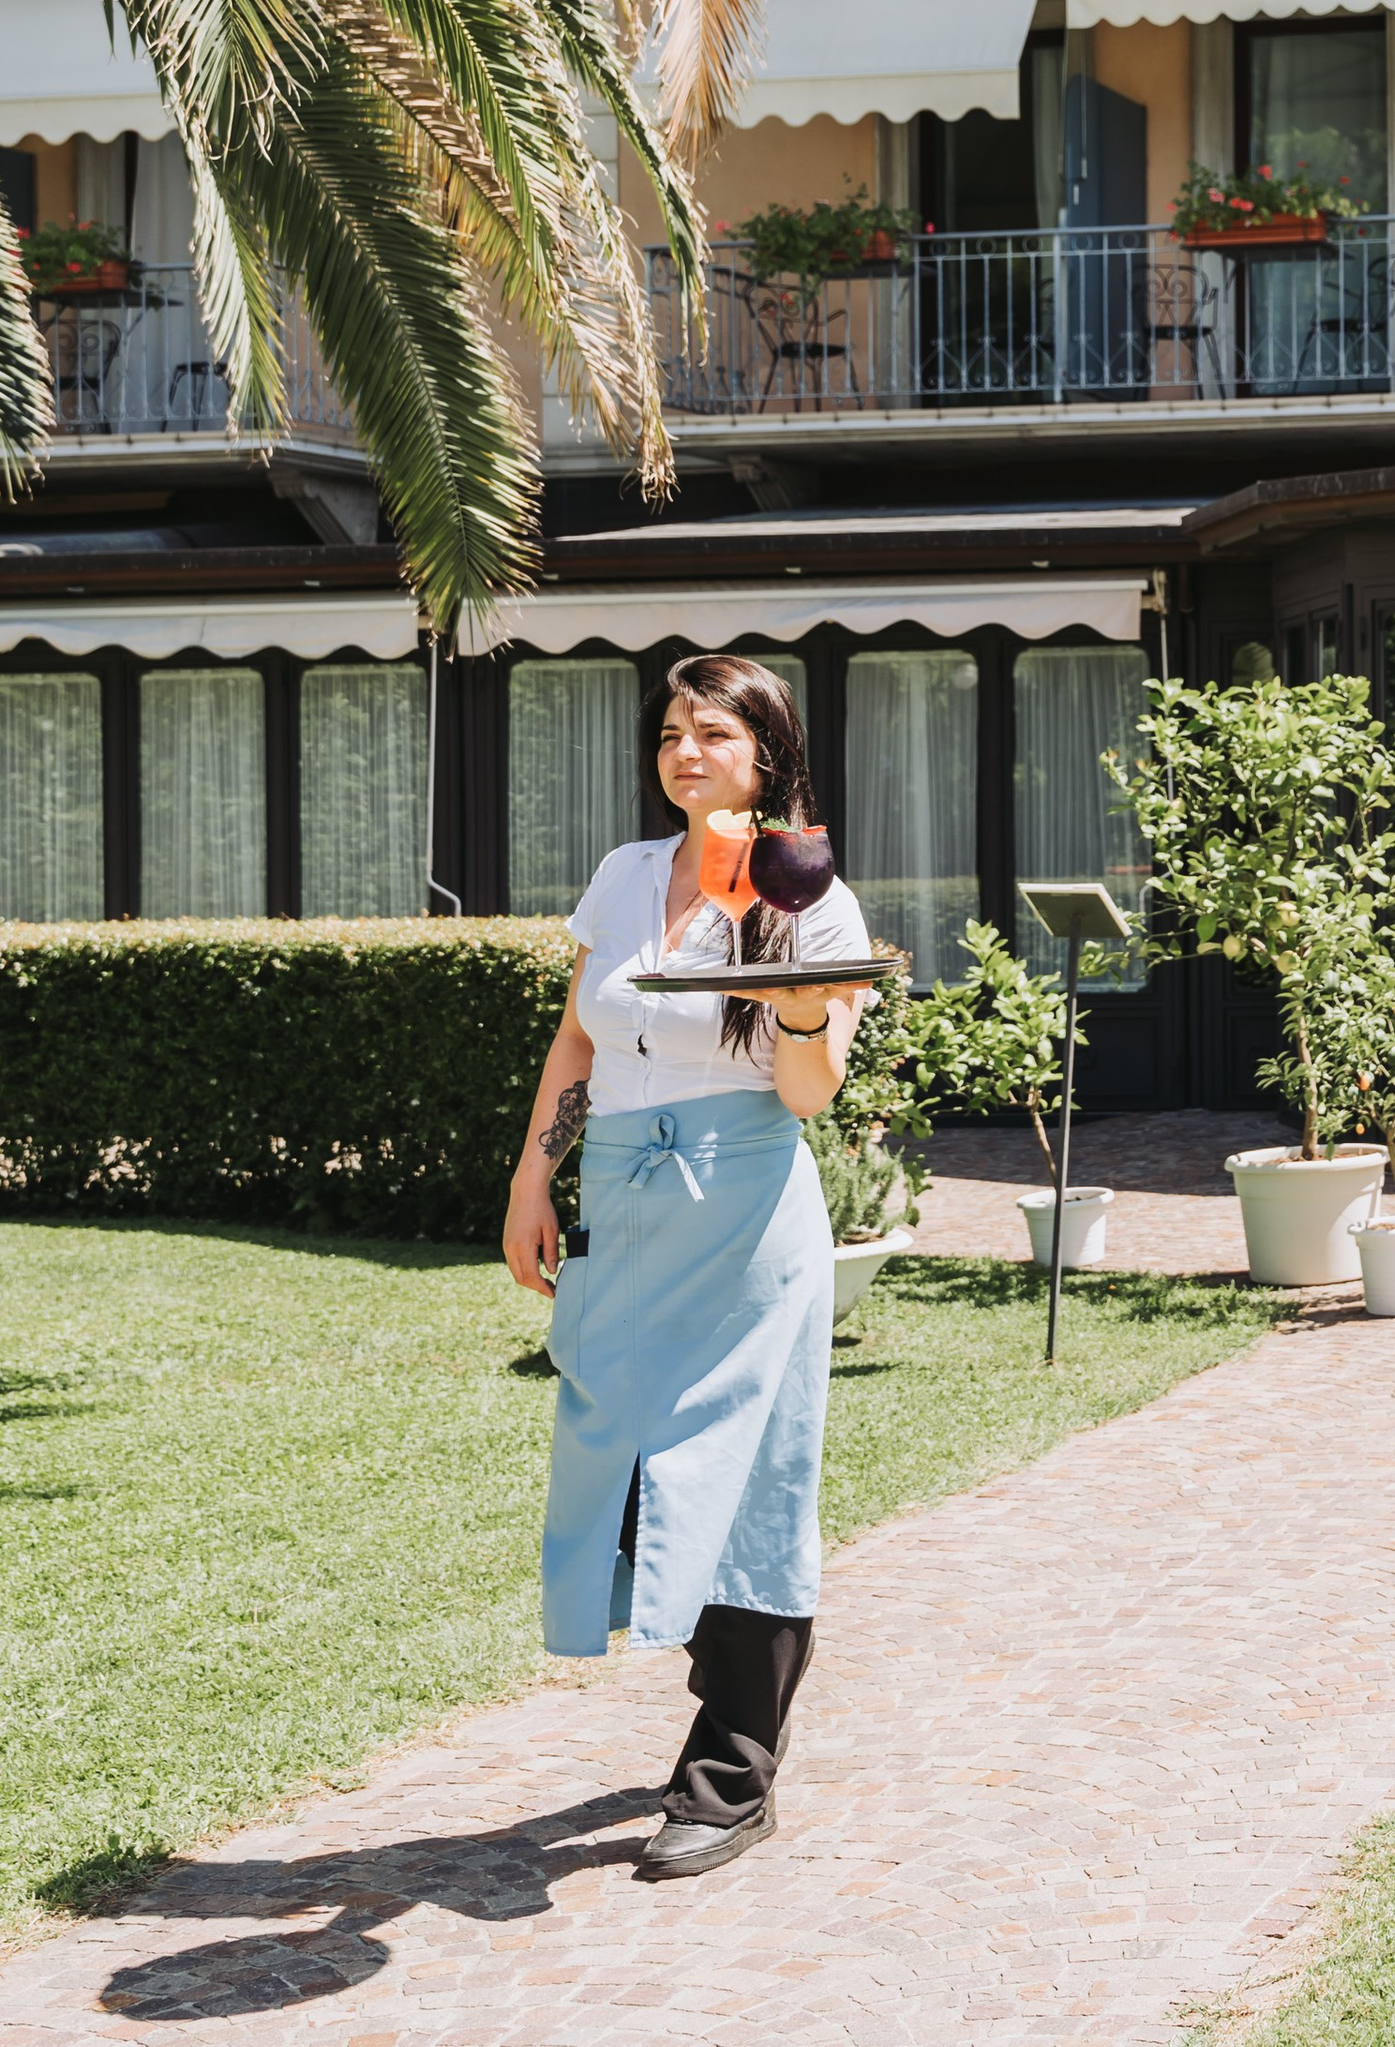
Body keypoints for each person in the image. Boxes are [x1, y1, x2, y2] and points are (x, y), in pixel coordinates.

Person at [502, 652, 872, 1877]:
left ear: (767, 754)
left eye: (713, 732)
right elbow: (575, 1035)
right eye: (671, 732)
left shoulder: (808, 897)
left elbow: (810, 1096)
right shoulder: (621, 877)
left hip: (748, 1209)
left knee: (752, 1472)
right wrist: (530, 1177)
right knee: (622, 1451)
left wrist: (809, 1006)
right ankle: (719, 1674)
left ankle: (729, 1774)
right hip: (620, 1190)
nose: (685, 752)